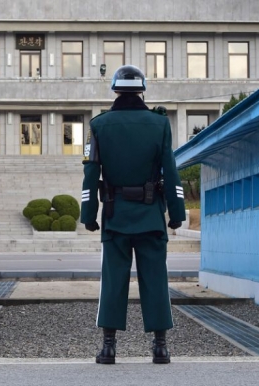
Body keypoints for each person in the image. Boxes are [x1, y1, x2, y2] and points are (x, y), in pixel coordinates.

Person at [80, 65, 186, 365]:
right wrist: (176, 212)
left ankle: (109, 347)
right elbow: (171, 170)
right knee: (155, 279)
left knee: (113, 281)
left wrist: (89, 213)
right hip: (151, 214)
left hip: (115, 215)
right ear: (142, 90)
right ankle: (161, 346)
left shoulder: (98, 125)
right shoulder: (159, 124)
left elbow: (91, 173)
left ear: (115, 89)